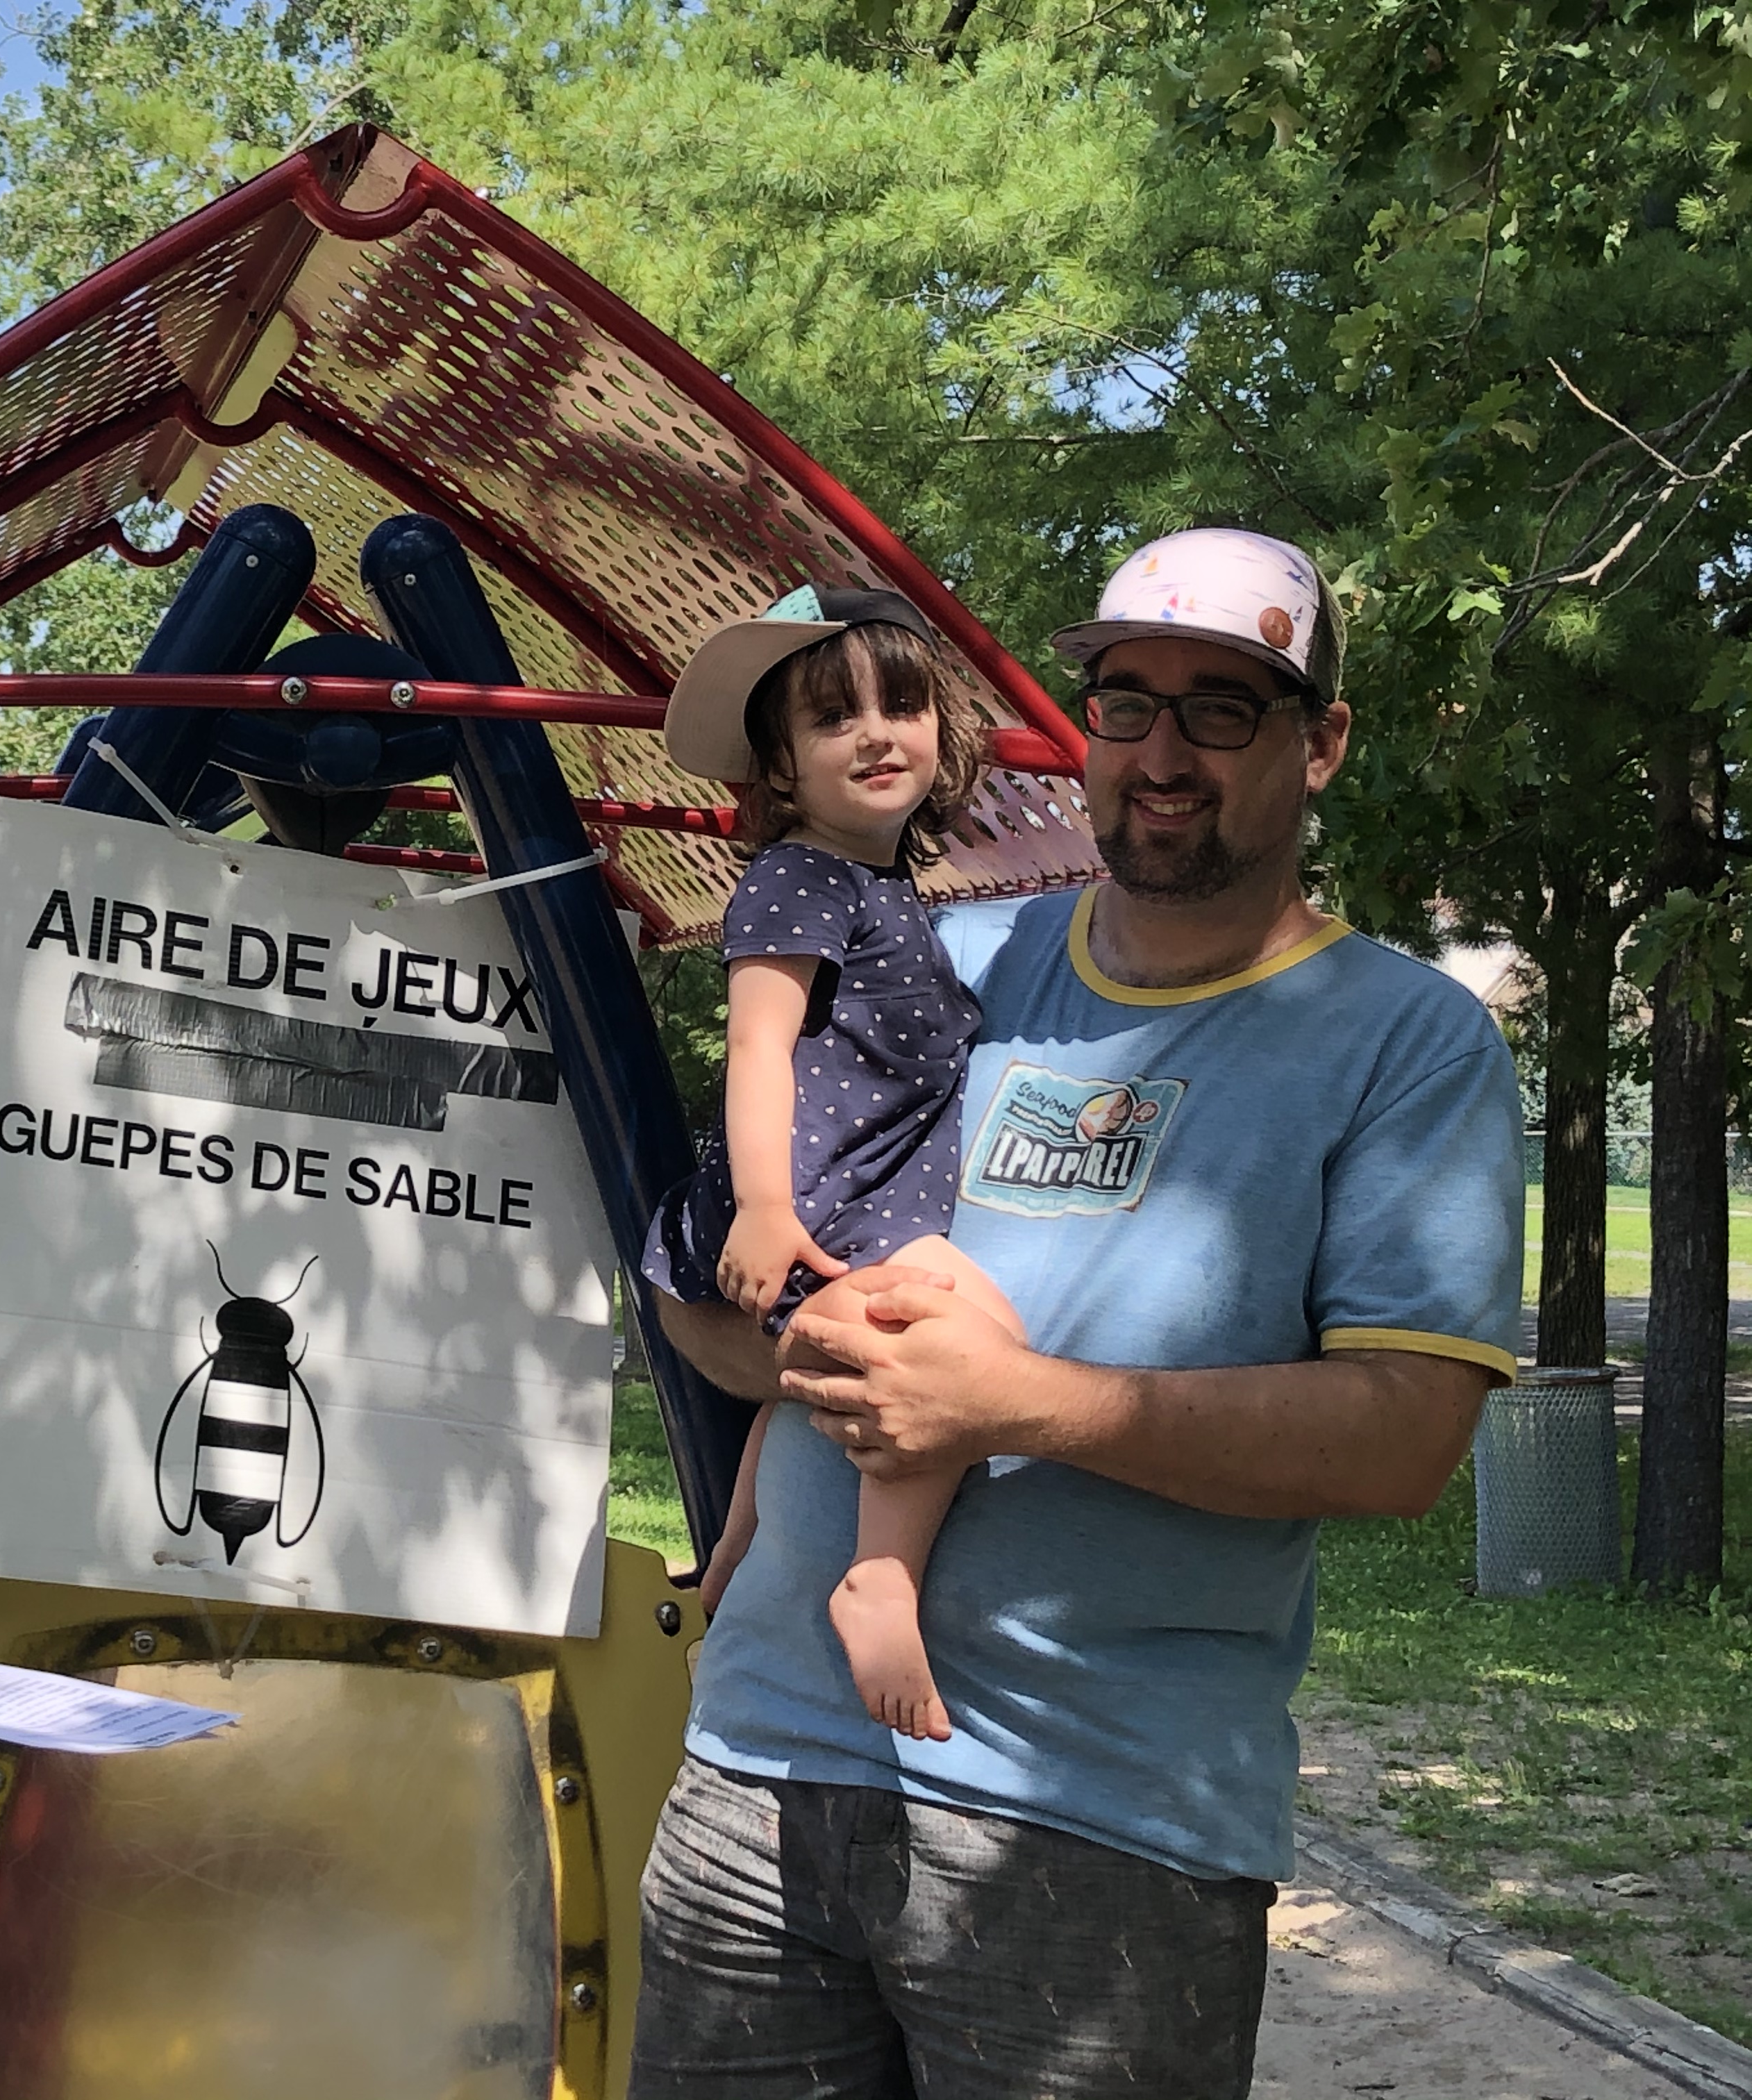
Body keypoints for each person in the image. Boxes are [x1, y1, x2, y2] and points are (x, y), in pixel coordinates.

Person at [629, 528, 1524, 2099]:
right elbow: (697, 1297)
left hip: (1098, 1825)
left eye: (1223, 708)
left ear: (1320, 746)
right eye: (1125, 700)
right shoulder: (944, 956)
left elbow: (1403, 1441)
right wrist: (829, 1355)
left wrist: (1009, 1402)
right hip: (756, 1777)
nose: (1161, 752)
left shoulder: (1408, 1041)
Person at [641, 587, 1024, 1740]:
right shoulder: (800, 878)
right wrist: (761, 1206)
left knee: (805, 1398)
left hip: (847, 1208)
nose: (876, 733)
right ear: (782, 765)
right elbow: (758, 1044)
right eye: (833, 718)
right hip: (801, 1210)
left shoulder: (883, 889)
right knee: (973, 1343)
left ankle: (732, 1562)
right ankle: (883, 1575)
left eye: (902, 705)